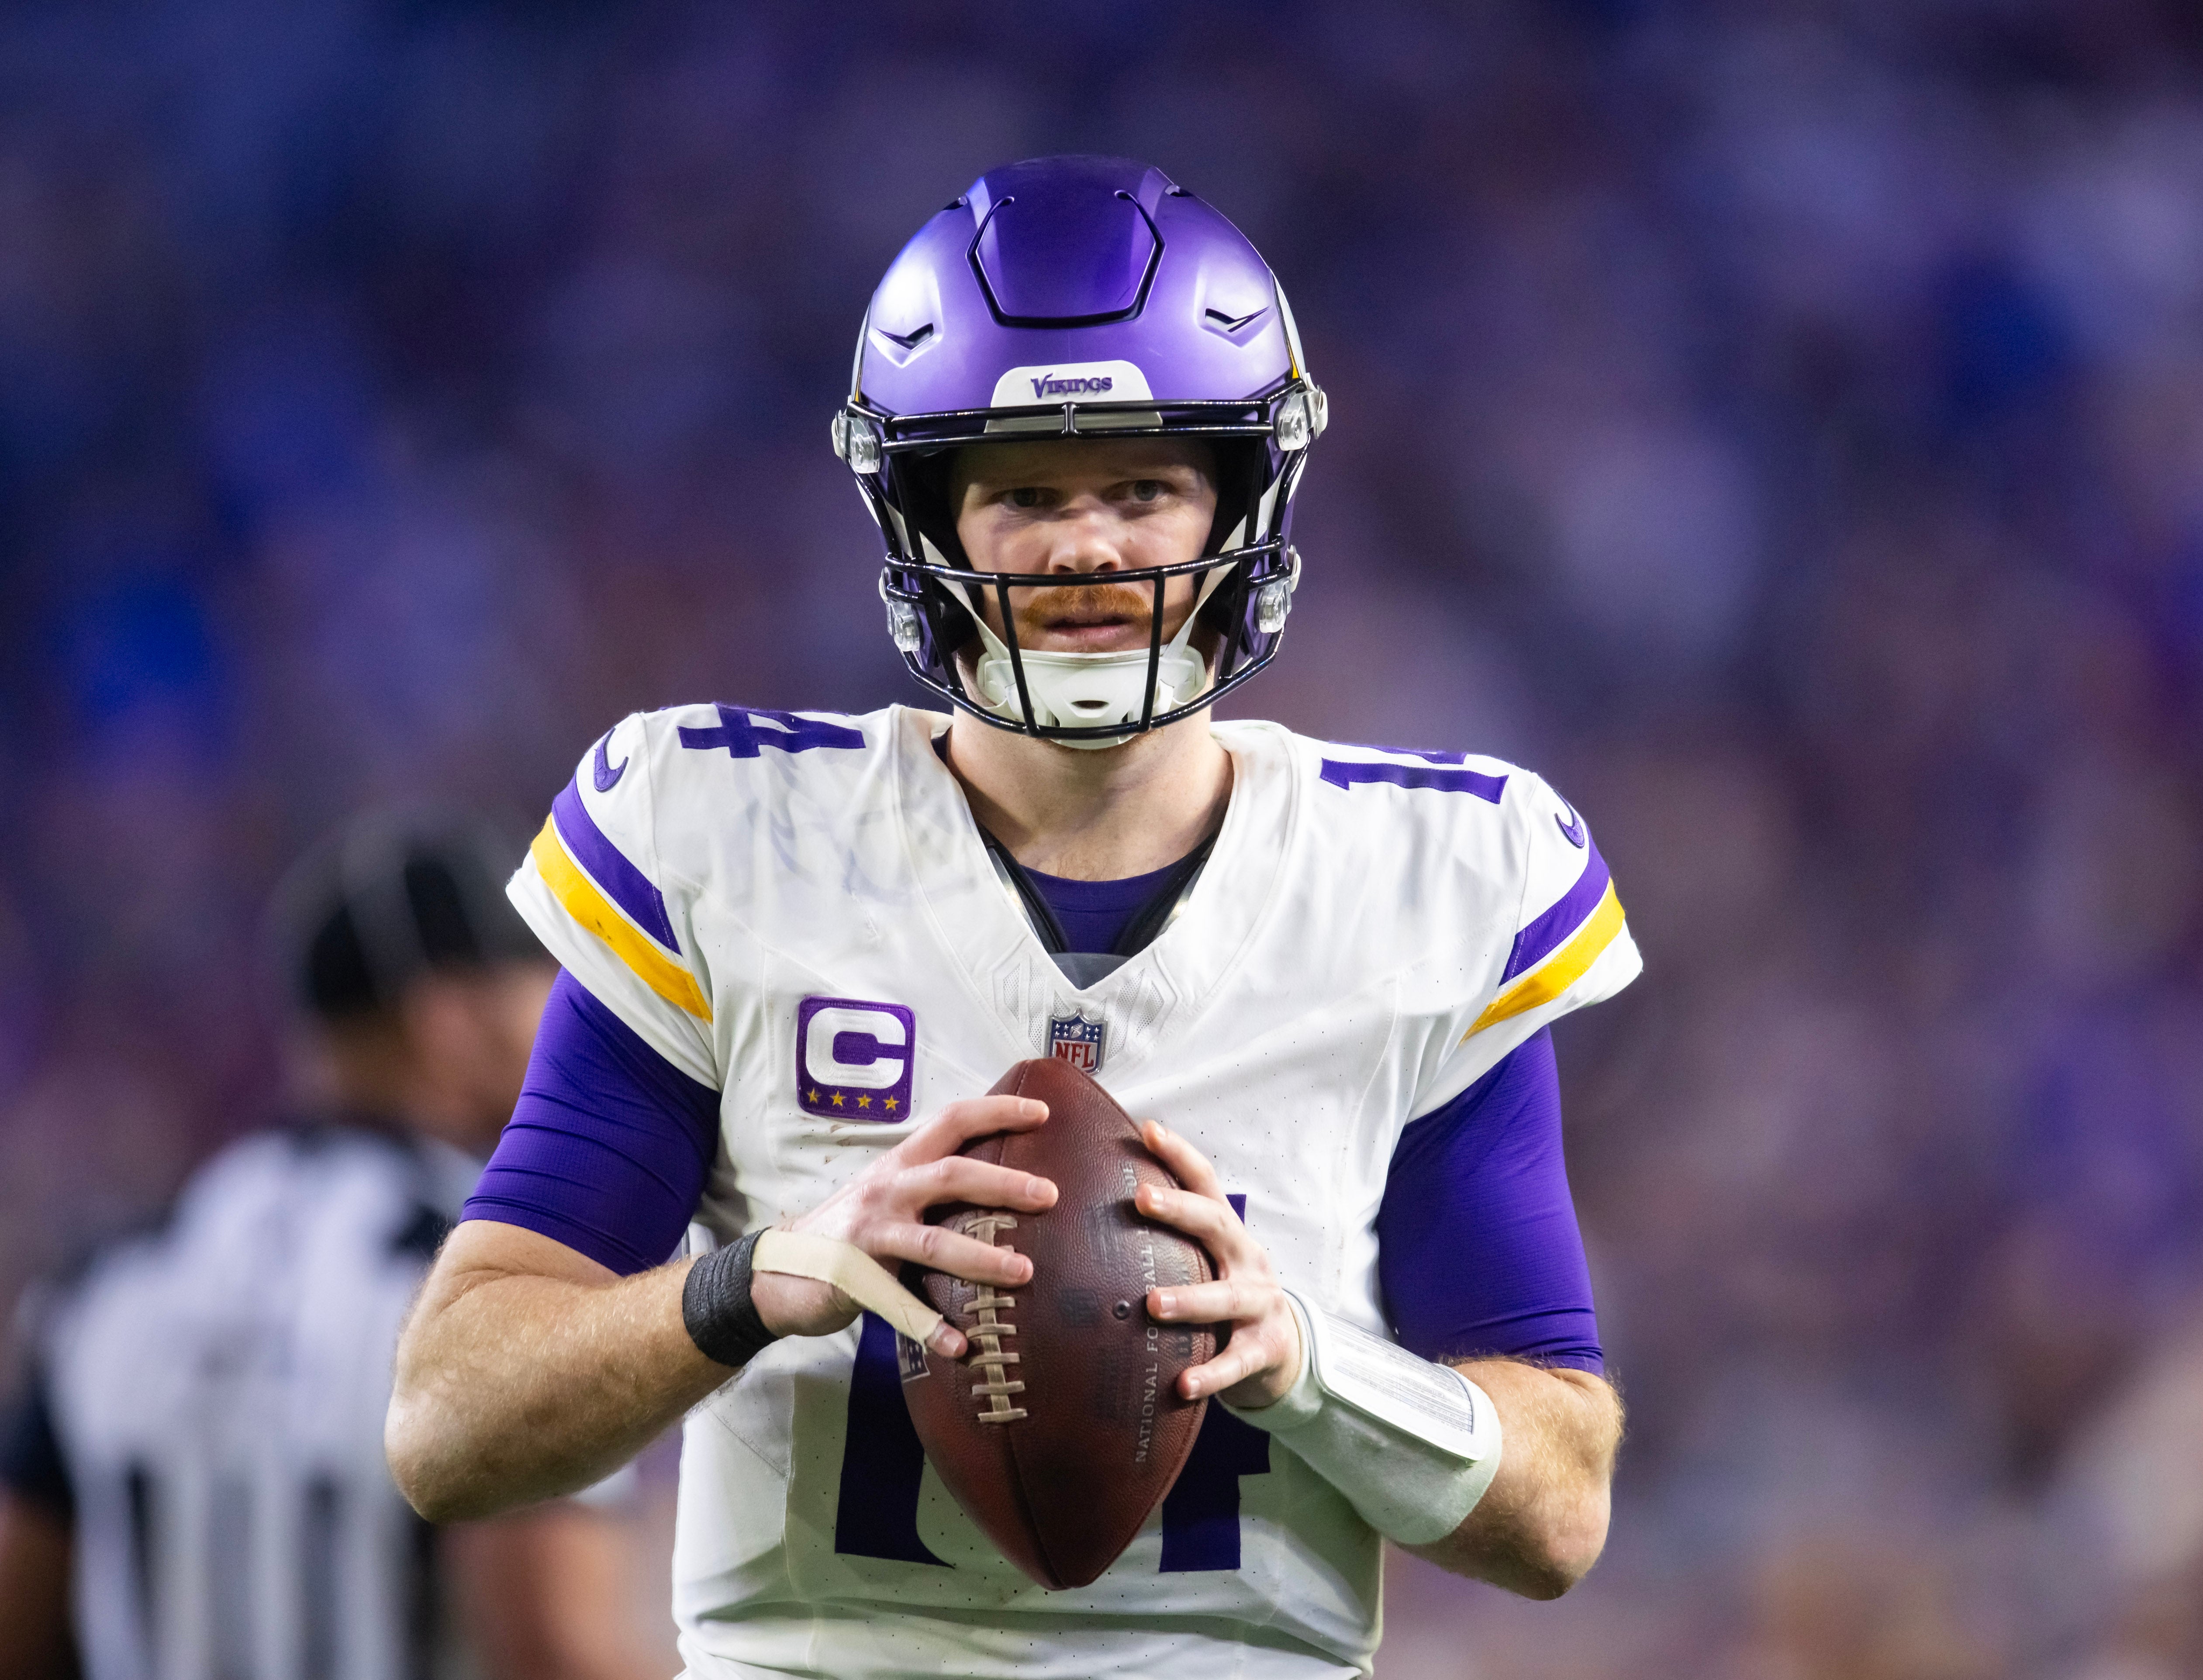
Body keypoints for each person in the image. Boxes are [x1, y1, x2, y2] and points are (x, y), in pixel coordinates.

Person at [386, 155, 1639, 1679]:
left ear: (1242, 499)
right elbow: (447, 1422)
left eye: (1144, 485)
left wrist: (1305, 1362)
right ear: (929, 518)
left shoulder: (1427, 874)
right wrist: (753, 1276)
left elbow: (1560, 1504)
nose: (1090, 547)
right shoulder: (729, 840)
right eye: (1027, 493)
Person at [0, 812, 674, 1680]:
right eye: (548, 980)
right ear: (448, 1019)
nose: (575, 1018)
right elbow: (551, 1649)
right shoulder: (497, 1284)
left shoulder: (116, 1278)